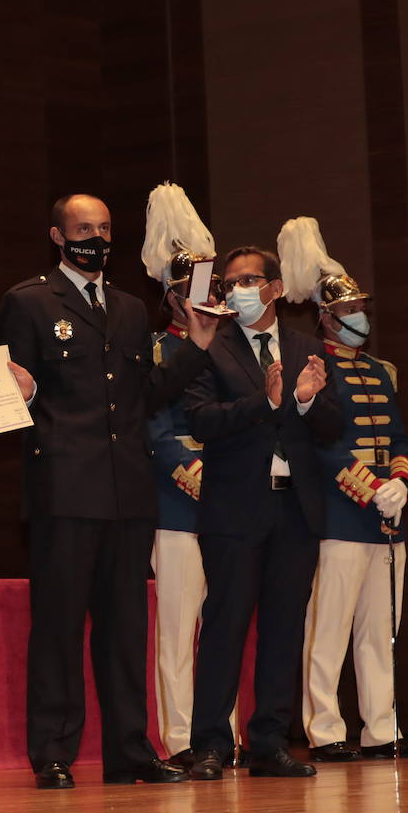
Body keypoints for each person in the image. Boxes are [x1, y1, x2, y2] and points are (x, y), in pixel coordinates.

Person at [0, 192, 217, 789]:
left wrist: (196, 346)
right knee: (60, 627)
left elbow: (145, 397)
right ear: (58, 236)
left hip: (128, 491)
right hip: (65, 489)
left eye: (104, 228)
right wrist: (19, 395)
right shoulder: (30, 301)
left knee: (125, 630)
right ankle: (53, 752)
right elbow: (7, 398)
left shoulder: (127, 309)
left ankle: (129, 752)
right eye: (83, 228)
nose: (95, 237)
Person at [183, 245, 341, 781]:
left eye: (248, 281)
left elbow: (334, 426)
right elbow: (202, 420)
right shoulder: (210, 347)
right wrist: (267, 404)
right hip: (233, 511)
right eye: (229, 284)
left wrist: (303, 402)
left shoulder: (306, 346)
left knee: (283, 628)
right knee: (225, 625)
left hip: (295, 511)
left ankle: (269, 743)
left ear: (274, 287)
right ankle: (208, 743)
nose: (237, 292)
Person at [275, 217, 408, 762]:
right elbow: (324, 448)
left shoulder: (381, 372)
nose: (359, 317)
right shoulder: (315, 368)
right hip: (341, 515)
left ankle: (381, 728)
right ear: (327, 318)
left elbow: (401, 436)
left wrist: (401, 483)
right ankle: (326, 729)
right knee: (330, 630)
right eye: (348, 310)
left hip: (388, 515)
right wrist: (370, 490)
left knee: (381, 630)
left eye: (360, 309)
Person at [139, 182, 245, 770]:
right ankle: (182, 738)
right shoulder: (158, 350)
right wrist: (199, 476)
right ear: (172, 297)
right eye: (187, 290)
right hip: (180, 507)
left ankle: (219, 734)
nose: (197, 298)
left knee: (223, 628)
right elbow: (156, 430)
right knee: (178, 633)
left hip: (230, 507)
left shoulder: (232, 350)